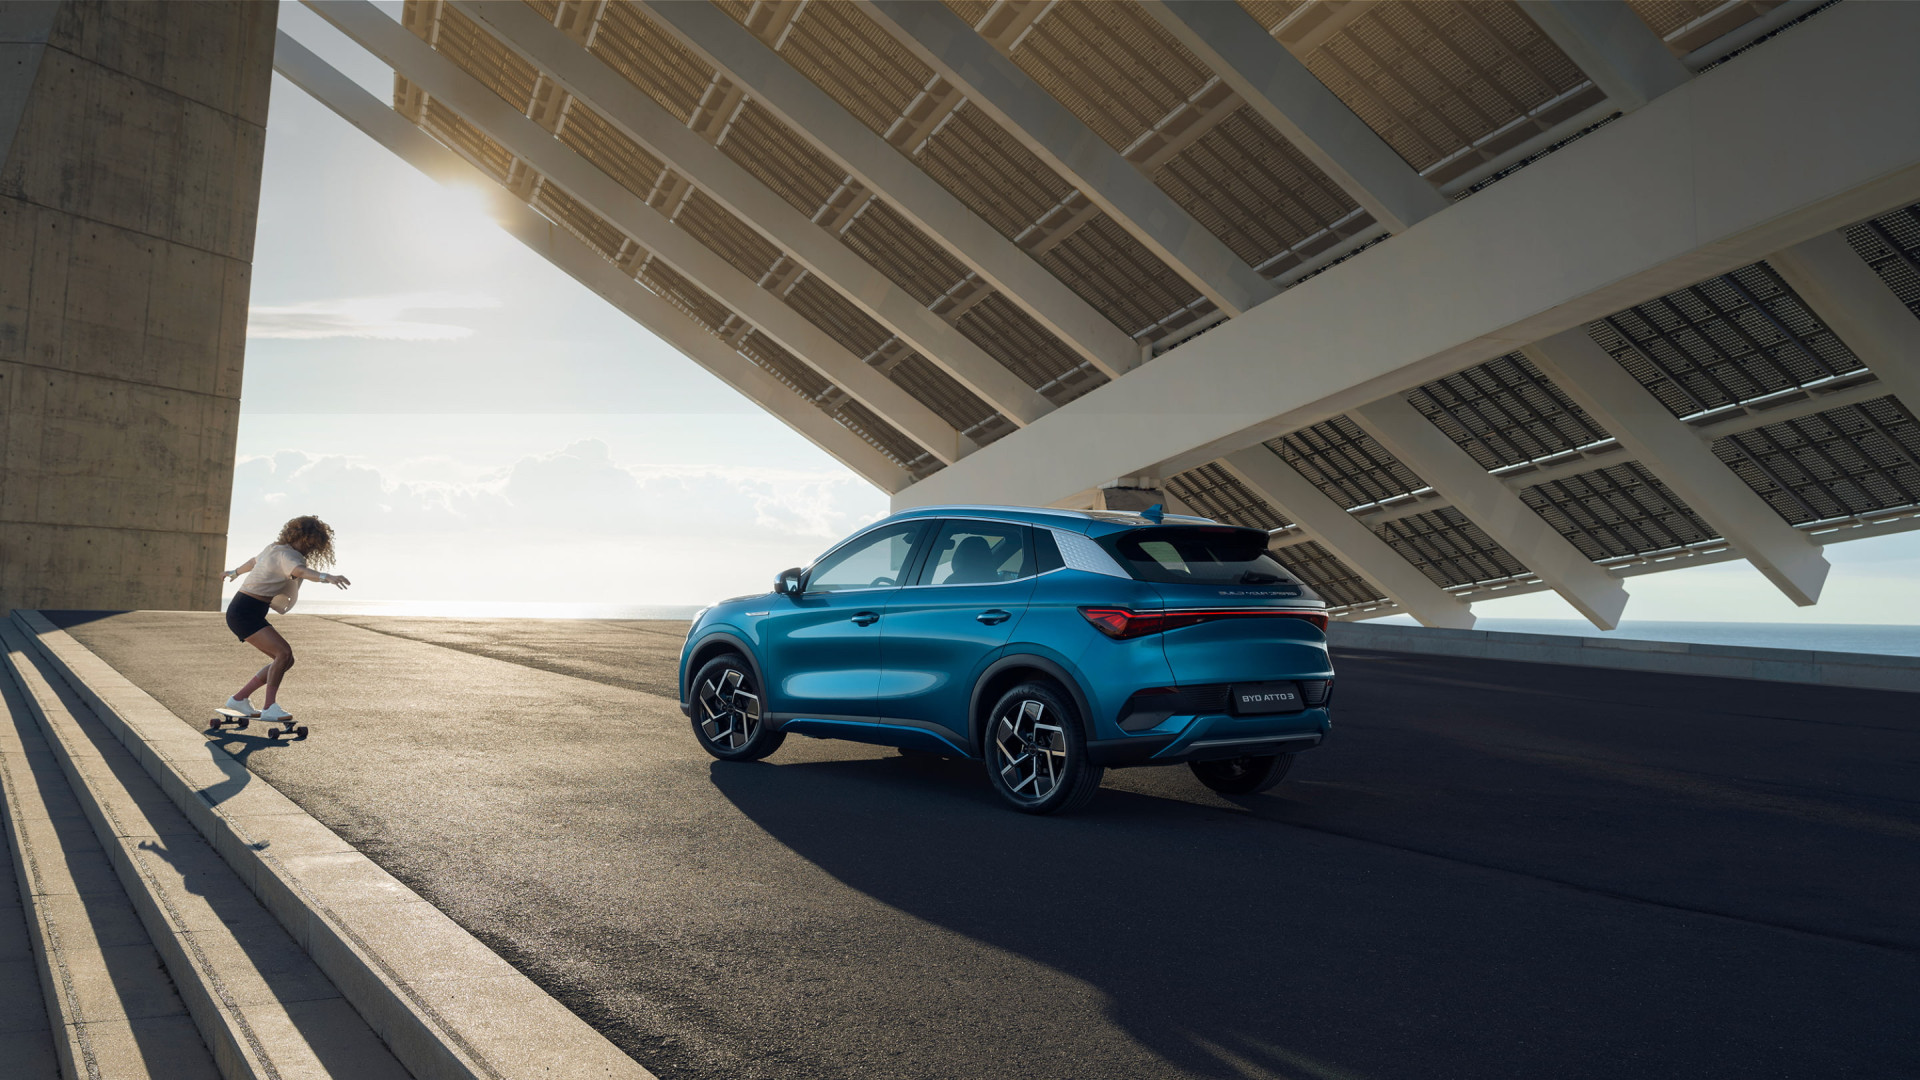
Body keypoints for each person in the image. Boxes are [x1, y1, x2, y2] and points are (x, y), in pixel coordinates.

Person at [218, 515, 351, 724]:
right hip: (245, 612)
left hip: (244, 610)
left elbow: (253, 562)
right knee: (283, 653)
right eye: (314, 544)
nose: (314, 549)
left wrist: (234, 572)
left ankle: (239, 699)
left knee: (286, 659)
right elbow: (300, 571)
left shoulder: (273, 548)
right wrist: (327, 577)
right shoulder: (289, 556)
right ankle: (269, 707)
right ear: (307, 539)